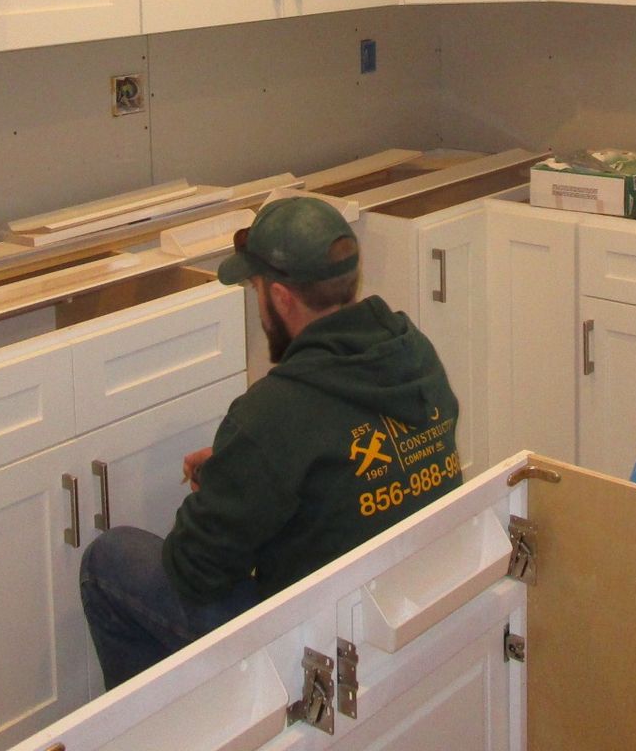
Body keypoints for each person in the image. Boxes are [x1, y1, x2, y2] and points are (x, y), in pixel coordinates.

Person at [79, 195, 462, 688]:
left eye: (255, 287)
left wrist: (236, 476)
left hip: (315, 644)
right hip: (408, 598)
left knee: (108, 560)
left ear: (280, 297)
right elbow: (339, 454)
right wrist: (241, 469)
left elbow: (194, 572)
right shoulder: (413, 352)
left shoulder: (271, 412)